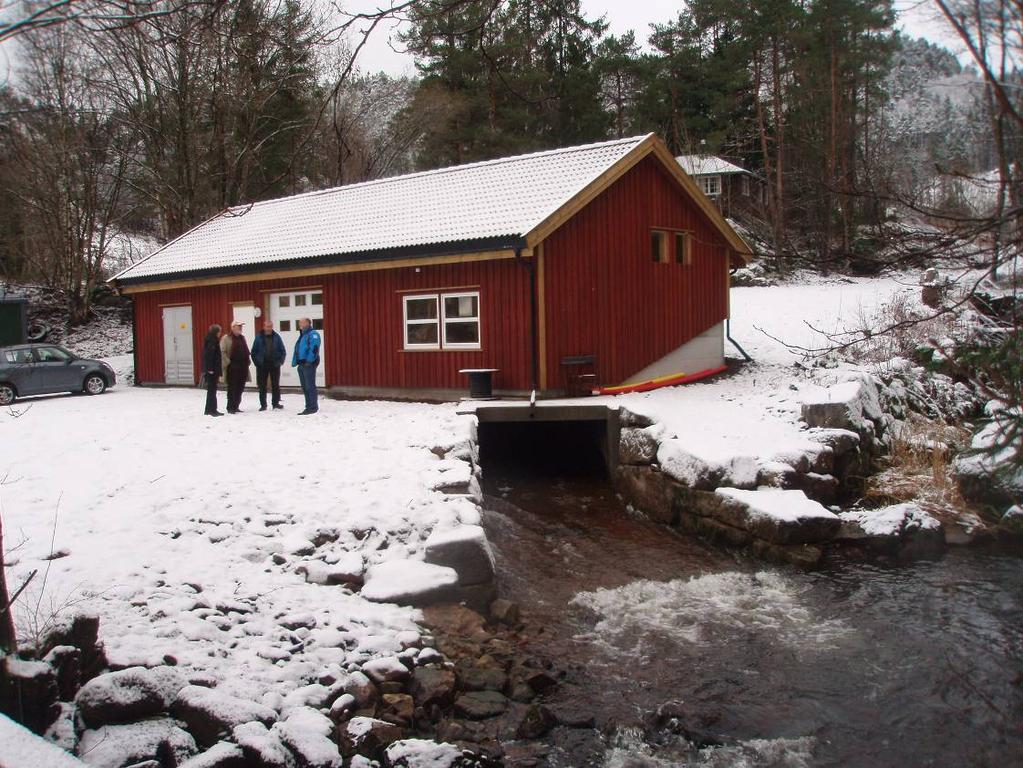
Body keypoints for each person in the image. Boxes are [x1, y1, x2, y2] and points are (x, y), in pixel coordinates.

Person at [250, 319, 286, 411]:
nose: (269, 328)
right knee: (262, 385)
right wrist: (257, 363)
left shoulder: (277, 337)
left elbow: (283, 351)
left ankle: (276, 403)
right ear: (264, 327)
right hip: (262, 365)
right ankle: (263, 405)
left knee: (275, 385)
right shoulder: (258, 337)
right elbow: (253, 352)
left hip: (274, 364)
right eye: (267, 326)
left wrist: (280, 362)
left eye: (270, 326)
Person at [291, 317, 321, 415]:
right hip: (301, 364)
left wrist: (309, 360)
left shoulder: (313, 334)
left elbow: (314, 348)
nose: (300, 324)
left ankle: (312, 407)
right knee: (305, 386)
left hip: (308, 364)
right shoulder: (303, 335)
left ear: (308, 323)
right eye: (299, 322)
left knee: (310, 386)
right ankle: (308, 405)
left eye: (302, 322)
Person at [221, 320, 251, 414]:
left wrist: (247, 361)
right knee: (232, 387)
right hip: (232, 366)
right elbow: (222, 352)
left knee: (240, 387)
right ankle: (230, 407)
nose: (240, 328)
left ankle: (236, 405)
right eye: (238, 326)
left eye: (241, 326)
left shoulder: (242, 338)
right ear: (233, 327)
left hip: (243, 366)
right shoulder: (226, 338)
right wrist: (228, 362)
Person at [202, 324, 223, 417]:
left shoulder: (211, 340)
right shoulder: (212, 341)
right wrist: (210, 368)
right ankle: (212, 410)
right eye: (219, 332)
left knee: (211, 390)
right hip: (212, 370)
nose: (220, 334)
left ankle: (209, 409)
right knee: (212, 390)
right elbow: (209, 356)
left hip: (212, 369)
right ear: (216, 332)